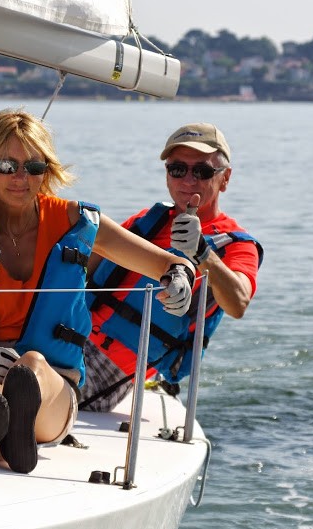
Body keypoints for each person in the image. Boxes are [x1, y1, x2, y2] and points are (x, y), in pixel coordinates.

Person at [0, 109, 195, 474]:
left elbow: (166, 264)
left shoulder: (77, 223)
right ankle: (5, 441)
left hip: (51, 386)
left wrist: (180, 276)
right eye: (7, 165)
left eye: (34, 166)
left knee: (31, 368)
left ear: (47, 171)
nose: (21, 178)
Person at [80, 122, 263, 412]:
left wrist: (202, 251)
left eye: (202, 171)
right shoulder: (147, 221)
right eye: (177, 169)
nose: (187, 180)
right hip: (68, 334)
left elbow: (238, 303)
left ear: (225, 179)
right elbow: (83, 270)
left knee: (27, 382)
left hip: (112, 369)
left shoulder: (236, 246)